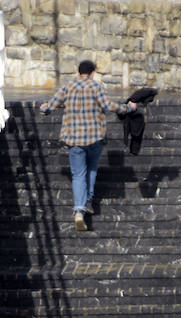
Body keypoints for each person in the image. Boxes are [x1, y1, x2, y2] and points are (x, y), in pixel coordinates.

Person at [39, 60, 136, 231]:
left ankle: (79, 210)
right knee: (92, 169)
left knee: (78, 175)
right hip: (94, 138)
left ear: (78, 73)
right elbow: (109, 106)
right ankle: (89, 200)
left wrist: (44, 108)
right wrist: (128, 108)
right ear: (92, 73)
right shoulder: (96, 86)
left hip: (74, 139)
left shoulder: (68, 86)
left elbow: (51, 105)